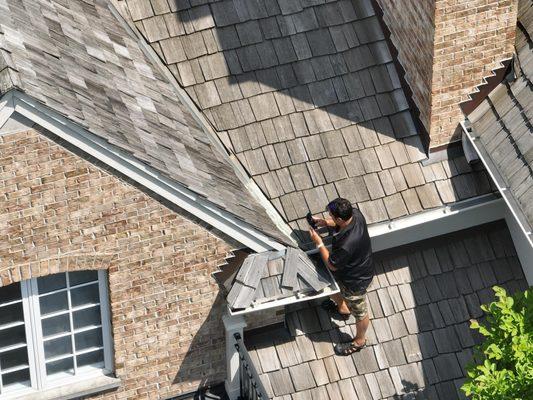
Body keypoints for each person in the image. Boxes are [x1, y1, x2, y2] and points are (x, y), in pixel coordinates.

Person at [308, 197, 374, 356]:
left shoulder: (347, 244)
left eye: (330, 216)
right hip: (355, 269)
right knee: (341, 291)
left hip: (355, 280)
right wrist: (326, 223)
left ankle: (359, 341)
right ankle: (344, 309)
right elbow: (342, 224)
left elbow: (331, 264)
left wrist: (319, 243)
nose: (329, 217)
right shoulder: (356, 214)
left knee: (360, 312)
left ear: (339, 218)